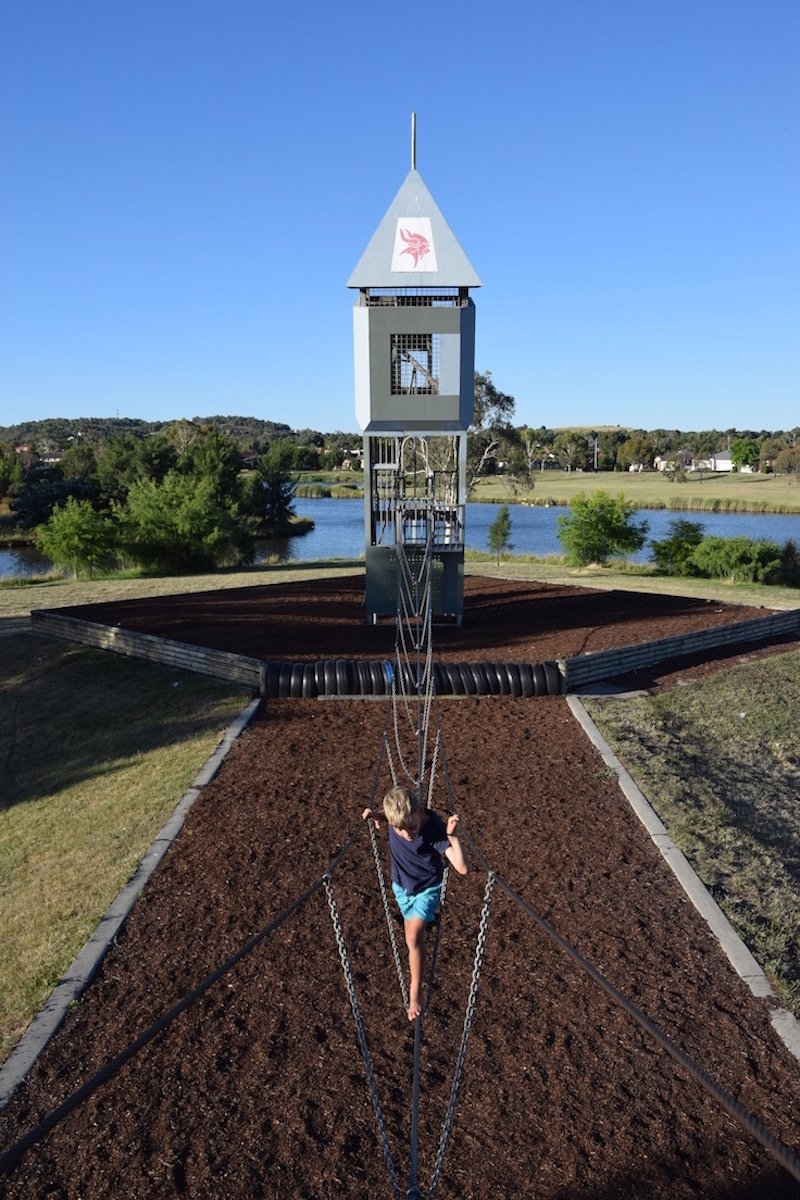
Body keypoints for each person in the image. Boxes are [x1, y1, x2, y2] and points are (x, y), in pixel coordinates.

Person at [362, 785, 468, 1021]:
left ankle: (415, 993)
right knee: (412, 937)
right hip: (402, 888)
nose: (407, 834)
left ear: (419, 812)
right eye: (399, 829)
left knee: (413, 938)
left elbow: (461, 868)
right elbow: (391, 816)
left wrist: (451, 836)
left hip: (426, 890)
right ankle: (422, 924)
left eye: (411, 828)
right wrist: (376, 815)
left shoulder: (432, 829)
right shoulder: (397, 821)